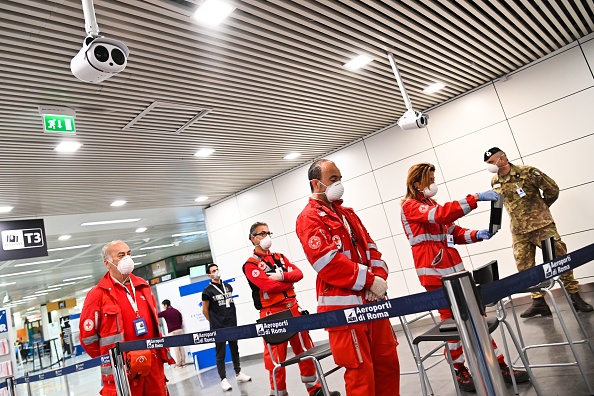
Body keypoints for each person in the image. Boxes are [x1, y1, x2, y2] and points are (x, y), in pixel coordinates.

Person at [400, 162, 529, 392]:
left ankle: (497, 365)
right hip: (433, 273)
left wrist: (479, 234)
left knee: (476, 316)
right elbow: (441, 215)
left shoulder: (430, 203)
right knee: (453, 325)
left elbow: (453, 232)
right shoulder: (410, 206)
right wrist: (476, 197)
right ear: (417, 183)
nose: (433, 183)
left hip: (454, 269)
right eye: (429, 179)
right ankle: (460, 369)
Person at [295, 159, 400, 396]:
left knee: (388, 365)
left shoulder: (347, 214)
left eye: (340, 178)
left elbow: (371, 248)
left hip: (373, 302)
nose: (339, 184)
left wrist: (378, 279)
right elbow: (326, 262)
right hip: (344, 311)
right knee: (360, 375)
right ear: (316, 183)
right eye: (333, 179)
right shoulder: (309, 217)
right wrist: (369, 281)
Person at [484, 147, 593, 316]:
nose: (489, 166)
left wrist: (542, 209)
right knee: (525, 267)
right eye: (487, 163)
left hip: (542, 226)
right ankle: (539, 302)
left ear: (503, 159)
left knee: (560, 260)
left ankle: (574, 296)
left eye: (491, 162)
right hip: (519, 232)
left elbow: (552, 189)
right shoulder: (495, 181)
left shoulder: (527, 172)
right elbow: (499, 203)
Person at [243, 221, 341, 396]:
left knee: (305, 351)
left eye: (268, 232)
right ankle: (279, 394)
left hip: (294, 310)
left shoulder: (279, 257)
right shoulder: (250, 265)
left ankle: (315, 390)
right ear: (253, 238)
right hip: (273, 315)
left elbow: (299, 274)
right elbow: (268, 287)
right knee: (276, 360)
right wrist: (288, 283)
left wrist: (281, 276)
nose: (267, 237)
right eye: (262, 234)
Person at [79, 240, 175, 396]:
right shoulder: (97, 295)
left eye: (129, 254)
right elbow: (87, 339)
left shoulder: (143, 286)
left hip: (153, 365)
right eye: (121, 255)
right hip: (122, 371)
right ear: (107, 263)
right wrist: (110, 358)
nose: (127, 259)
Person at [202, 264, 251, 391]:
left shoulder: (228, 286)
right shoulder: (207, 291)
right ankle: (223, 379)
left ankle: (238, 373)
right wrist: (213, 322)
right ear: (209, 275)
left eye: (217, 269)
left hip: (231, 323)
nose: (216, 272)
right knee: (220, 353)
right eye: (213, 271)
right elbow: (205, 310)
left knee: (235, 349)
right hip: (218, 327)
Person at [158, 299, 186, 368]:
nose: (163, 307)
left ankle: (179, 363)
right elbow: (181, 320)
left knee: (176, 348)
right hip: (179, 330)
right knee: (181, 347)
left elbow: (157, 315)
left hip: (172, 331)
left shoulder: (165, 312)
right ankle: (183, 363)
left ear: (166, 305)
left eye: (163, 306)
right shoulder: (176, 311)